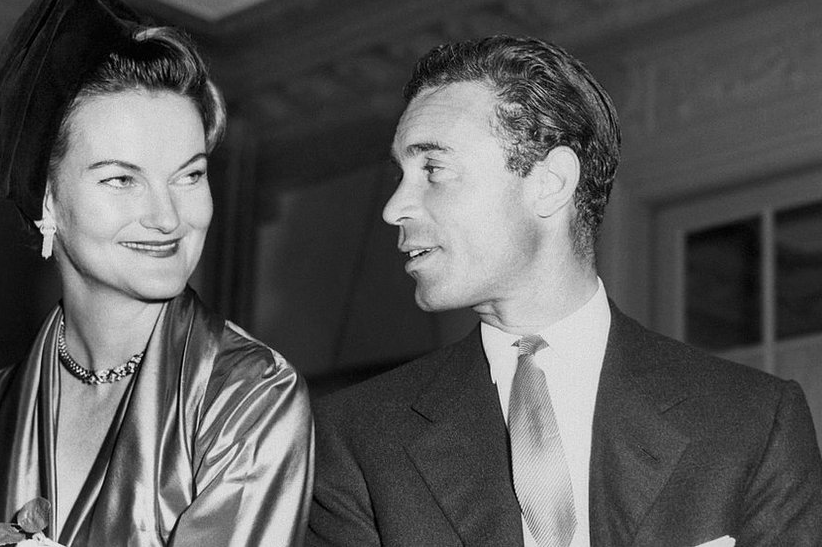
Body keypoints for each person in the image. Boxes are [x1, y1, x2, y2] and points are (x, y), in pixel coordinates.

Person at [307, 34, 822, 547]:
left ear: (550, 182)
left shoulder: (754, 421)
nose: (394, 208)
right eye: (401, 174)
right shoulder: (353, 438)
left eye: (433, 170)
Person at [0, 0, 313, 545]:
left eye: (189, 175)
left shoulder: (248, 397)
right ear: (47, 198)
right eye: (121, 179)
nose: (167, 218)